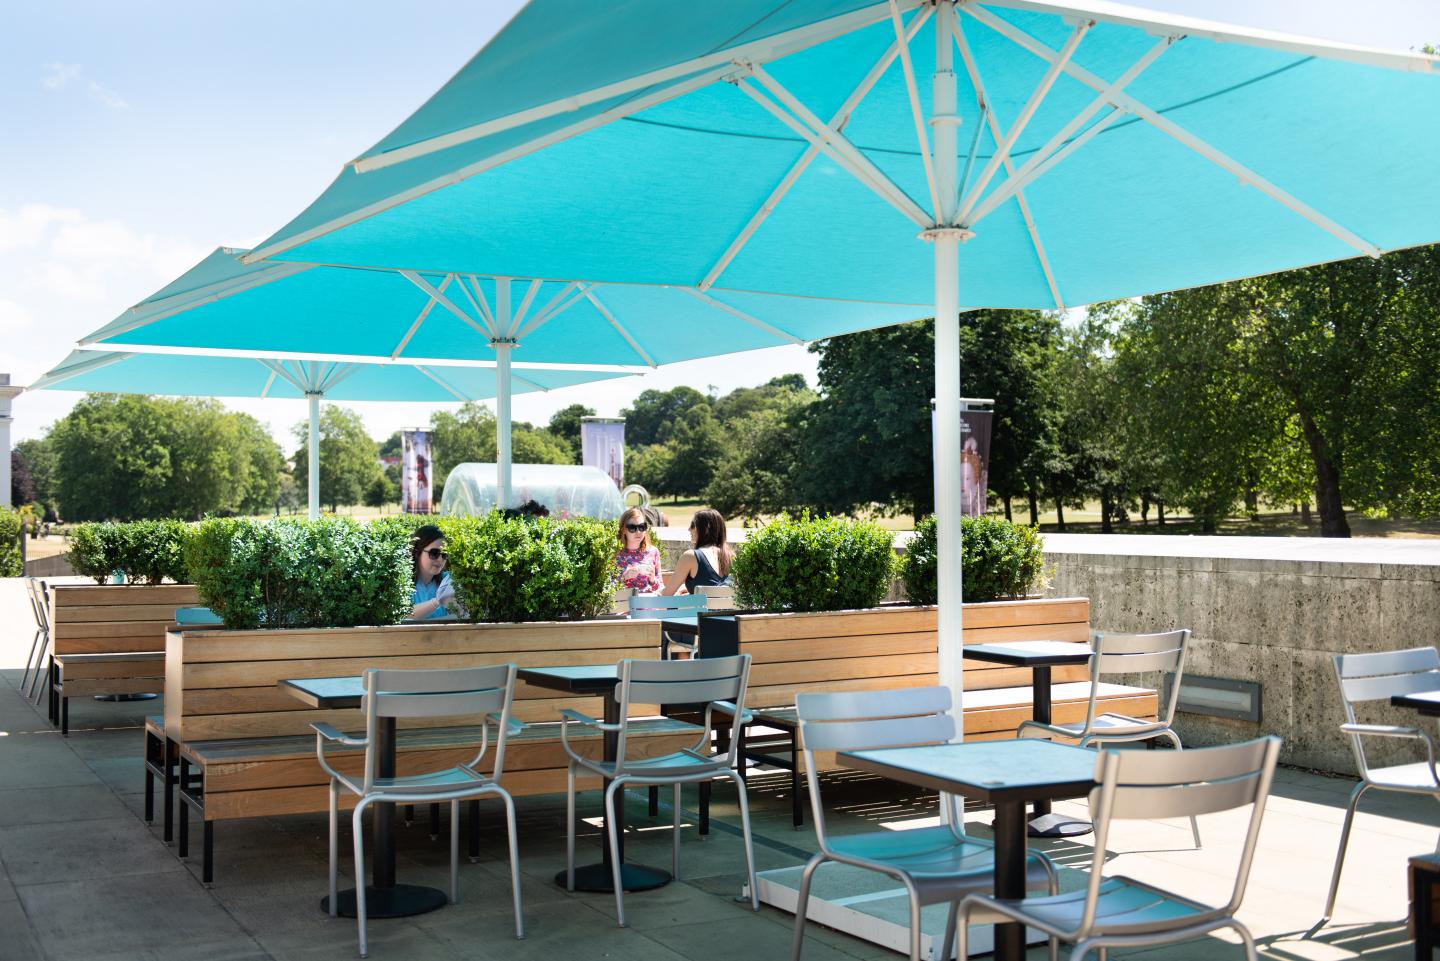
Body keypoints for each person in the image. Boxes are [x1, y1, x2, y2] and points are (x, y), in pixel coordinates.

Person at [662, 509, 732, 595]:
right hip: (727, 608)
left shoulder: (691, 556)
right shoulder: (730, 556)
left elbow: (667, 594)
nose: (689, 529)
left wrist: (655, 593)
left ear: (706, 528)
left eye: (692, 525)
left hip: (700, 608)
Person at [408, 524, 456, 619]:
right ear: (417, 552)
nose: (440, 559)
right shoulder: (402, 584)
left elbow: (461, 616)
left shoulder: (448, 581)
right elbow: (403, 615)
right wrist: (437, 602)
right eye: (434, 553)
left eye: (444, 554)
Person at [614, 507, 662, 593]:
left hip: (648, 602)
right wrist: (624, 577)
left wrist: (652, 580)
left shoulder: (653, 552)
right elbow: (607, 587)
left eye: (641, 527)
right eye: (632, 528)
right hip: (624, 603)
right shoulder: (615, 554)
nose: (638, 532)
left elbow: (660, 587)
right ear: (624, 530)